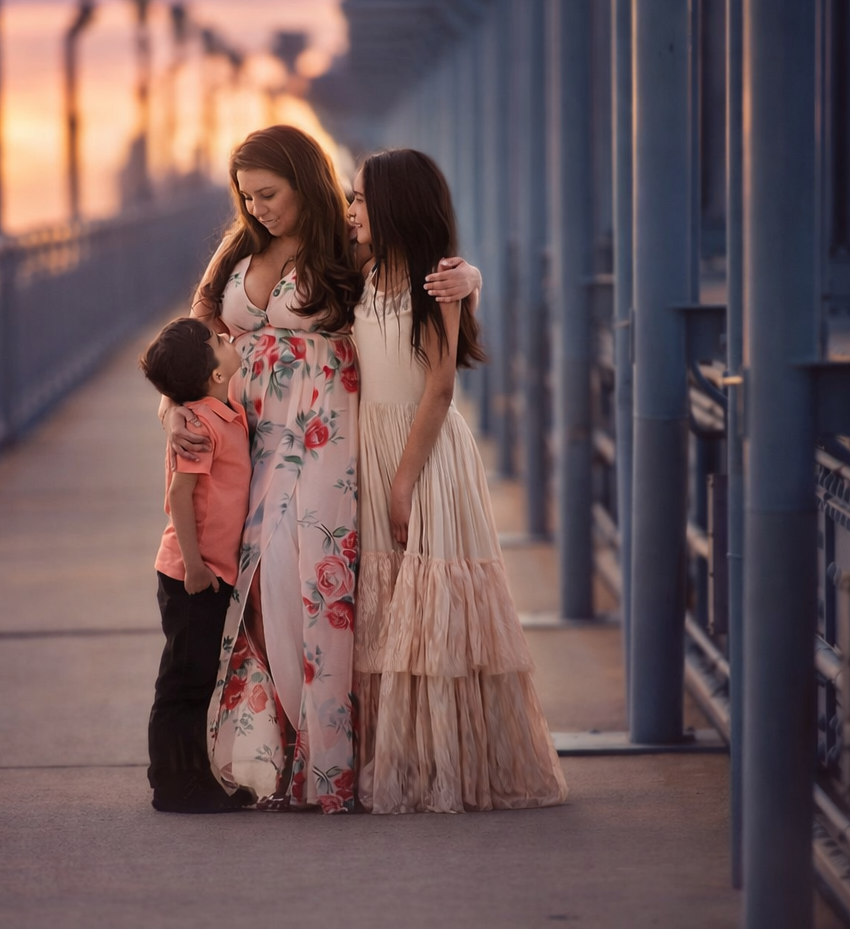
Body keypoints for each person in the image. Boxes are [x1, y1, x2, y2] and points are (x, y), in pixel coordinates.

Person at [160, 125, 481, 812]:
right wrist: (172, 408)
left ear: (305, 182)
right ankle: (270, 752)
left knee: (310, 585)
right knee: (253, 586)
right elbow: (194, 334)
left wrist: (470, 278)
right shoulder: (241, 248)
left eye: (269, 195)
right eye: (247, 198)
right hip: (247, 443)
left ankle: (323, 763)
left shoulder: (347, 240)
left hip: (323, 431)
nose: (258, 209)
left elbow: (414, 268)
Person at [346, 148, 568, 814]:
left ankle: (449, 766)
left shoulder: (436, 282)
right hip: (371, 447)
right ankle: (400, 758)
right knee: (386, 610)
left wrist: (404, 481)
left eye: (360, 200)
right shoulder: (356, 274)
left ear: (394, 207)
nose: (350, 212)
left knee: (428, 599)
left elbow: (440, 387)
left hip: (424, 450)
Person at [140, 317, 254, 813]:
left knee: (197, 677)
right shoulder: (203, 426)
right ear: (214, 375)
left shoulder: (222, 412)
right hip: (194, 573)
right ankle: (174, 782)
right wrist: (194, 566)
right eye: (221, 342)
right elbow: (179, 495)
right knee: (184, 681)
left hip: (207, 570)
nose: (229, 341)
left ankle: (186, 774)